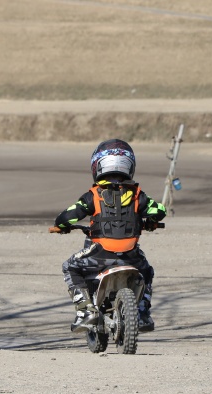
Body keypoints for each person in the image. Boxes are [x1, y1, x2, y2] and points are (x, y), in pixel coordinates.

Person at [54, 139, 166, 333]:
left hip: (99, 254)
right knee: (147, 271)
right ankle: (142, 312)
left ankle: (85, 311)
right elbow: (160, 210)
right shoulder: (138, 195)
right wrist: (150, 222)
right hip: (131, 255)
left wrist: (61, 226)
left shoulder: (93, 195)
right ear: (129, 166)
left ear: (97, 165)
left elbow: (67, 216)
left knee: (70, 267)